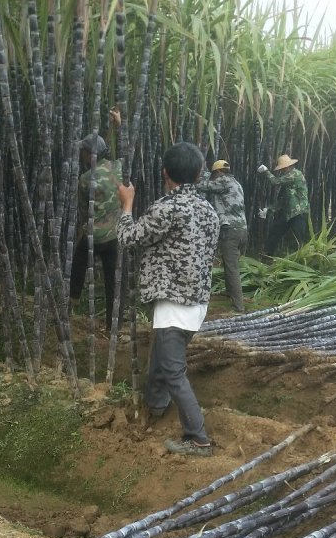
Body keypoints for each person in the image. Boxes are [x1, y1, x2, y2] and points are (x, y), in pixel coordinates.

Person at [117, 141, 219, 458]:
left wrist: (127, 205)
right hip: (197, 303)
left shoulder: (167, 209)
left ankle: (198, 438)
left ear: (165, 173)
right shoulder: (209, 211)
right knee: (161, 363)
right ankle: (156, 408)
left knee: (173, 370)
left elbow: (128, 239)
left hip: (173, 305)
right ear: (200, 173)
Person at [70, 111, 123, 332]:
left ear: (89, 154)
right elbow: (123, 151)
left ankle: (71, 304)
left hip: (93, 236)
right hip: (115, 236)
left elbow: (83, 210)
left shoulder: (85, 179)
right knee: (113, 280)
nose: (81, 155)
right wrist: (117, 127)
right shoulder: (118, 168)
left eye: (83, 152)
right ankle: (115, 324)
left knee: (78, 267)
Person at [196, 159, 247, 313]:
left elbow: (201, 186)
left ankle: (239, 307)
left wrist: (199, 173)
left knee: (232, 268)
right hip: (242, 230)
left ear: (217, 172)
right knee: (228, 263)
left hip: (231, 230)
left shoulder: (223, 181)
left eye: (213, 174)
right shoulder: (235, 182)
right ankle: (230, 294)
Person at [257, 154, 309, 256]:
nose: (282, 171)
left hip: (299, 213)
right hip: (289, 213)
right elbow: (284, 200)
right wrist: (268, 209)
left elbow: (276, 181)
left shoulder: (295, 174)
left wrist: (266, 171)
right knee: (275, 231)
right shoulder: (289, 183)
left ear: (288, 167)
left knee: (298, 239)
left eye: (283, 169)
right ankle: (268, 255)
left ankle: (300, 261)